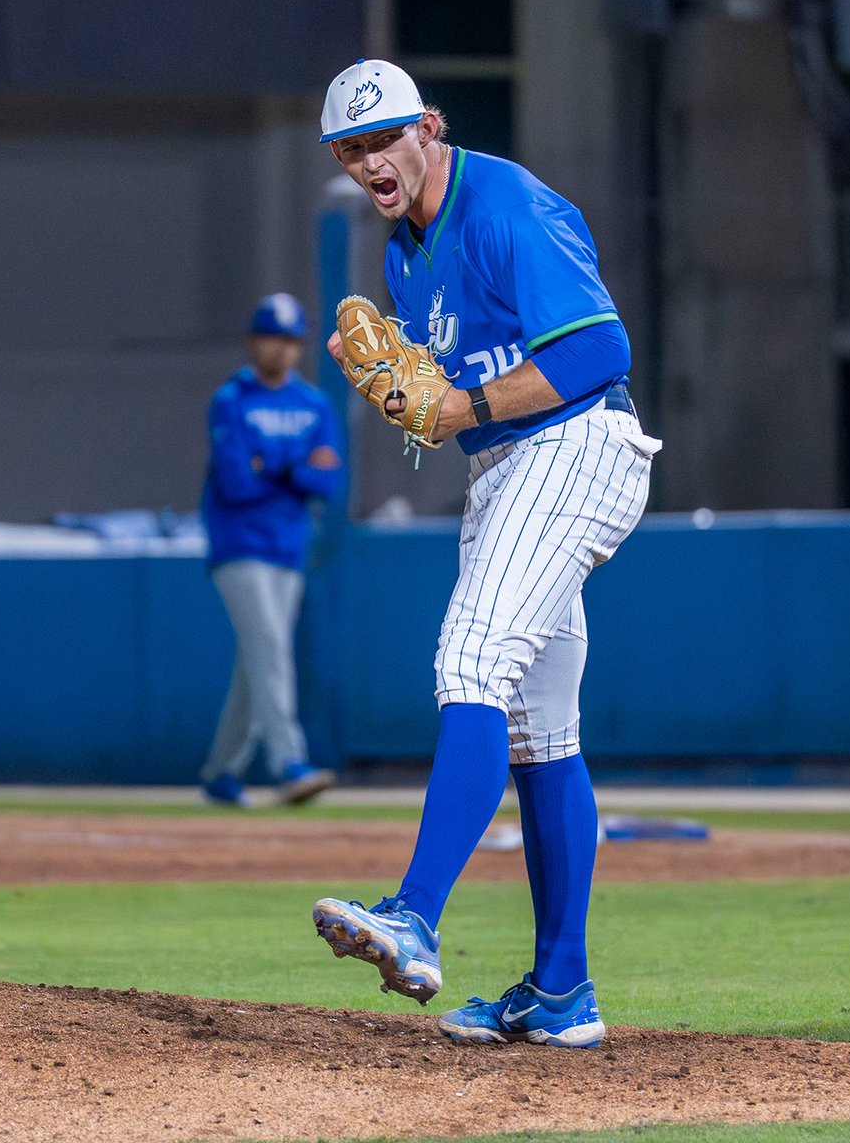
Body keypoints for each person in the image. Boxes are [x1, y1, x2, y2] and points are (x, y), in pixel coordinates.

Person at [312, 60, 662, 1048]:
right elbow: (448, 408)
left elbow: (599, 353)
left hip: (578, 445)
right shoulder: (400, 253)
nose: (370, 161)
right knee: (538, 732)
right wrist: (407, 407)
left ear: (430, 125)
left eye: (384, 138)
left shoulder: (506, 201)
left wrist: (455, 405)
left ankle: (415, 916)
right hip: (505, 468)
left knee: (471, 661)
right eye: (351, 149)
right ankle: (562, 995)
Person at [199, 293, 345, 808]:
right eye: (270, 337)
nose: (279, 349)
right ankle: (289, 761)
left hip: (289, 545)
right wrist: (296, 467)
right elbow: (238, 482)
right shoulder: (232, 398)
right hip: (239, 544)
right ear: (252, 341)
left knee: (257, 662)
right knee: (271, 652)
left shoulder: (314, 404)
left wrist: (275, 466)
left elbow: (328, 479)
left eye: (289, 340)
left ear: (300, 347)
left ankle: (220, 771)